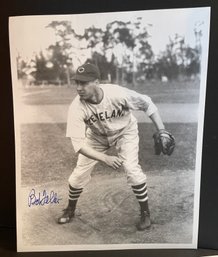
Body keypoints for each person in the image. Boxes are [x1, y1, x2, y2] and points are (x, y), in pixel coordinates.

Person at [58, 63, 168, 230]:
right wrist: (105, 158)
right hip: (96, 137)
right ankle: (70, 209)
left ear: (97, 82)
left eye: (84, 83)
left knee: (131, 169)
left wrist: (162, 130)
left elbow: (148, 104)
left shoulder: (117, 93)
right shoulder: (76, 107)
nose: (79, 88)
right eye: (77, 83)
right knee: (78, 175)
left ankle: (145, 213)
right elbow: (78, 145)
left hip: (125, 131)